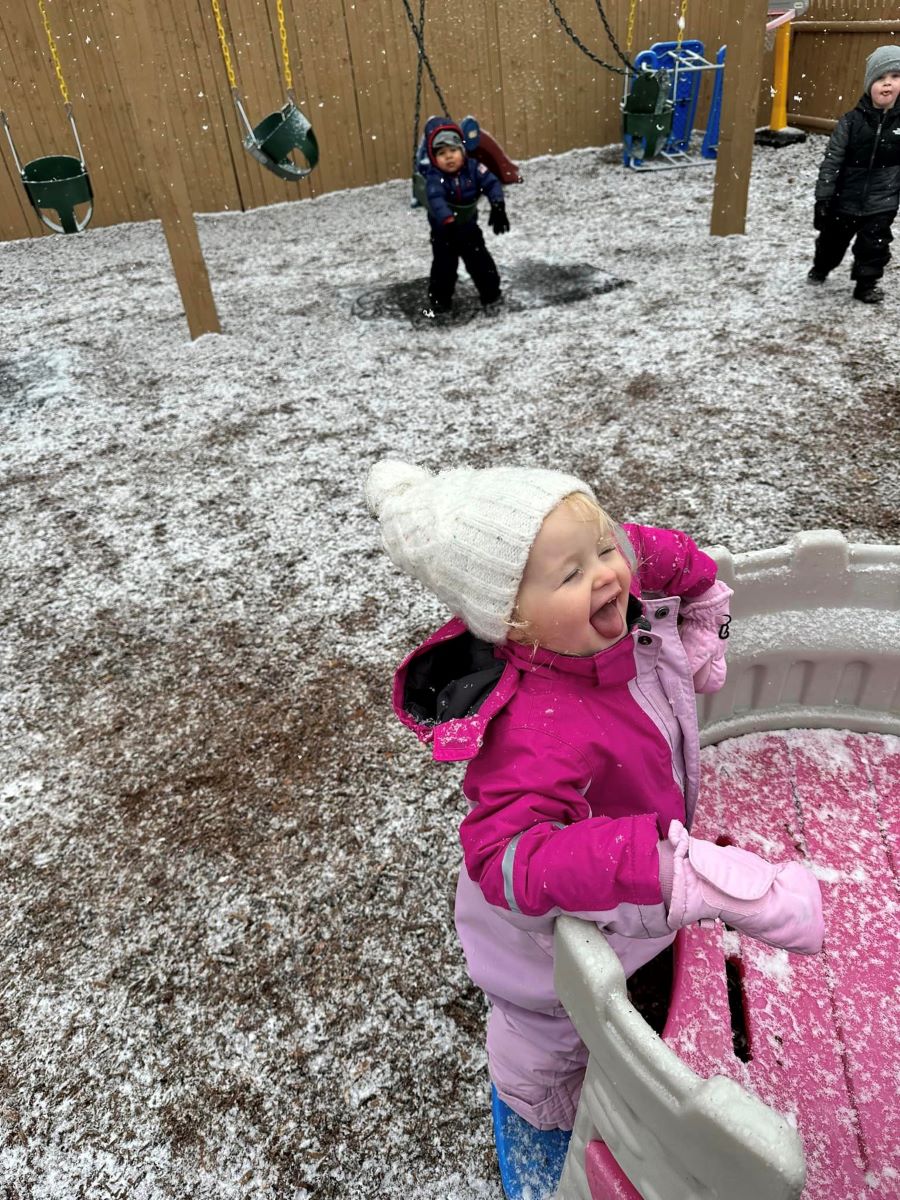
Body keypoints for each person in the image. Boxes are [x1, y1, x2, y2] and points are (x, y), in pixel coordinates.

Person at [365, 460, 824, 1138]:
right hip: (544, 932)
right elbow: (506, 859)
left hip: (624, 862)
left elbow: (661, 552)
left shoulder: (600, 598)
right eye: (572, 574)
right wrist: (673, 871)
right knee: (547, 1021)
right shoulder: (537, 729)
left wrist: (703, 612)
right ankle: (533, 1100)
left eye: (602, 549)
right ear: (512, 622)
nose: (609, 573)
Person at [809, 44, 900, 304]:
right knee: (831, 242)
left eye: (895, 77)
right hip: (844, 199)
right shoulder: (850, 122)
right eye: (881, 78)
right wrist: (823, 198)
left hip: (882, 202)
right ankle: (821, 267)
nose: (887, 84)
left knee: (874, 246)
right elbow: (832, 161)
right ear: (869, 83)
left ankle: (866, 284)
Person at [418, 116, 510, 315]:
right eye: (442, 153)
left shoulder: (474, 168)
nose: (449, 157)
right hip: (445, 234)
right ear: (434, 158)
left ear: (462, 150)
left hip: (468, 229)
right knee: (444, 270)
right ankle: (439, 303)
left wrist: (498, 205)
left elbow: (492, 182)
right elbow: (436, 199)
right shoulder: (435, 178)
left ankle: (491, 294)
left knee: (481, 264)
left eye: (453, 150)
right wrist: (448, 221)